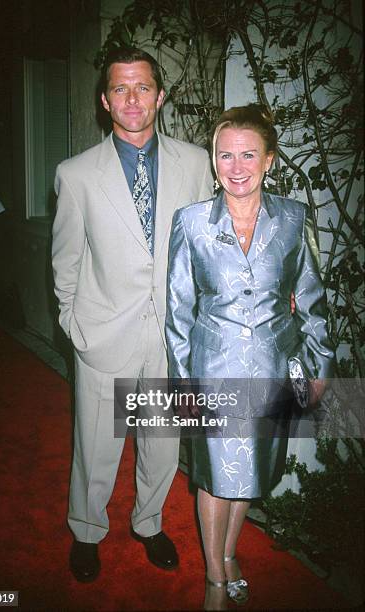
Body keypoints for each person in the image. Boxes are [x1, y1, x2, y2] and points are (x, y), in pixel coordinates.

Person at [51, 46, 213, 582]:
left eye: (142, 86)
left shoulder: (196, 163)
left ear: (160, 95)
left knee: (162, 443)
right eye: (120, 88)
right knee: (95, 444)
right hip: (103, 331)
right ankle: (86, 530)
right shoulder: (75, 174)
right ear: (105, 100)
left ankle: (148, 523)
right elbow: (66, 259)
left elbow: (207, 246)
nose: (132, 98)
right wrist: (75, 325)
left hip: (173, 333)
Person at [165, 104, 334, 610]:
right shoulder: (191, 222)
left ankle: (231, 552)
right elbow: (178, 310)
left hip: (270, 366)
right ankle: (215, 577)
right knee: (217, 476)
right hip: (211, 368)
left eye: (248, 155)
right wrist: (181, 383)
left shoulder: (292, 218)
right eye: (225, 155)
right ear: (214, 161)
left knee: (248, 473)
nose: (236, 167)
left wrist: (320, 365)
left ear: (269, 160)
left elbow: (312, 298)